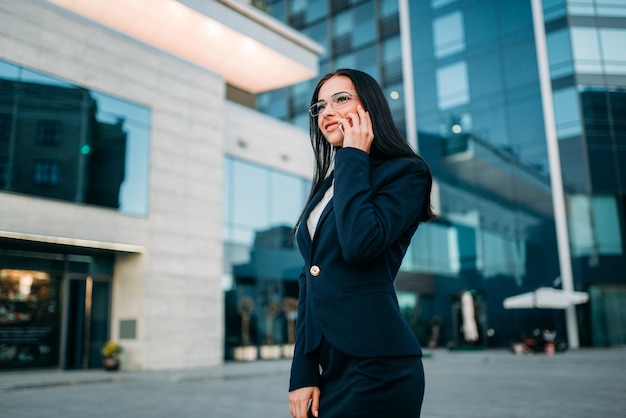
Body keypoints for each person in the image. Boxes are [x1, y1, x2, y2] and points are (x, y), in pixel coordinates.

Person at [288, 68, 437, 418]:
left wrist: (354, 154)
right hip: (330, 368)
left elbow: (360, 243)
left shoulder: (406, 172)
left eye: (341, 99)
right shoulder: (332, 182)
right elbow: (310, 280)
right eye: (320, 106)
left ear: (370, 107)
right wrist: (303, 371)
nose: (326, 112)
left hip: (379, 367)